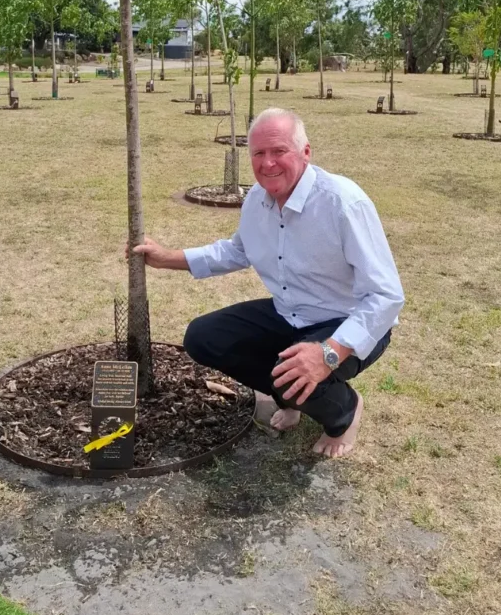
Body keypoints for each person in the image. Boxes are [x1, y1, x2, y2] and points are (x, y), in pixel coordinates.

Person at [133, 108, 405, 458]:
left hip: (348, 320)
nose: (268, 163)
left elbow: (386, 296)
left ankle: (345, 412)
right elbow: (237, 250)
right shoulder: (257, 200)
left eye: (279, 151)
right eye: (258, 153)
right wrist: (166, 257)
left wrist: (328, 353)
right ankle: (289, 394)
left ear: (306, 152)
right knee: (203, 337)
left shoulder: (343, 203)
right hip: (290, 313)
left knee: (290, 375)